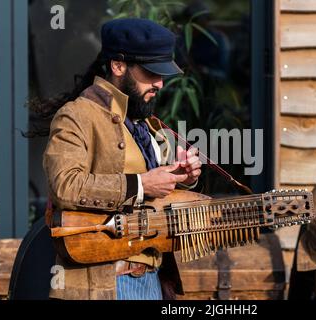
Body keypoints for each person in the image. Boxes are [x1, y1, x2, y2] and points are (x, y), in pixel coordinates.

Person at [42, 18, 202, 300]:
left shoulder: (144, 124)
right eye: (152, 72)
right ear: (118, 66)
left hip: (153, 279)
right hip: (107, 284)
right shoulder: (76, 115)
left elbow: (150, 196)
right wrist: (141, 184)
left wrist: (180, 179)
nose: (161, 83)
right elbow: (65, 186)